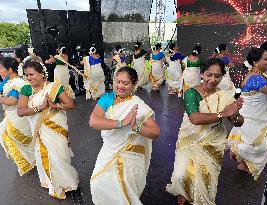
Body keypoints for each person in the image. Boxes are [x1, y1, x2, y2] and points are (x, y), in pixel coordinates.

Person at [166, 58, 244, 205]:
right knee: (180, 173)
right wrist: (224, 114)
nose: (212, 79)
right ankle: (183, 191)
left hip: (213, 142)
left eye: (217, 76)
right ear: (202, 74)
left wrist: (235, 114)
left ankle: (196, 197)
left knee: (204, 174)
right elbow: (195, 118)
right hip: (190, 139)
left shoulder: (224, 95)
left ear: (222, 77)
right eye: (209, 74)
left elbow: (239, 121)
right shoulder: (191, 93)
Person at [89, 66, 160, 205]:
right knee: (98, 183)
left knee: (124, 191)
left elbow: (155, 132)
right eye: (118, 81)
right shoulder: (107, 98)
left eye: (125, 83)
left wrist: (136, 126)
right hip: (109, 151)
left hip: (130, 156)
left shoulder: (137, 104)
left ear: (134, 85)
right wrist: (122, 122)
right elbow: (94, 121)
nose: (120, 86)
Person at [17, 60, 79, 199]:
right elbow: (20, 111)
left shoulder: (54, 87)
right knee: (47, 156)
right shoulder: (26, 89)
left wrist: (56, 106)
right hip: (40, 130)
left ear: (41, 73)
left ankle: (68, 183)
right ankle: (53, 184)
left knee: (61, 155)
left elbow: (71, 104)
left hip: (57, 127)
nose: (29, 78)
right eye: (26, 75)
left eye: (32, 74)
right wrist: (40, 107)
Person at [228, 48, 267, 180]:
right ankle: (236, 150)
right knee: (259, 147)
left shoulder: (258, 75)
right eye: (266, 59)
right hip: (252, 120)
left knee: (255, 143)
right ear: (255, 62)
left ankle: (243, 164)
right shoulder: (256, 79)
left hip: (250, 117)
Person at [0, 57, 35, 176]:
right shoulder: (9, 81)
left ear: (10, 70)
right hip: (12, 116)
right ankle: (28, 162)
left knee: (20, 140)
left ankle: (29, 162)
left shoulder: (17, 83)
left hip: (18, 118)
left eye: (1, 68)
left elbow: (11, 101)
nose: (0, 70)